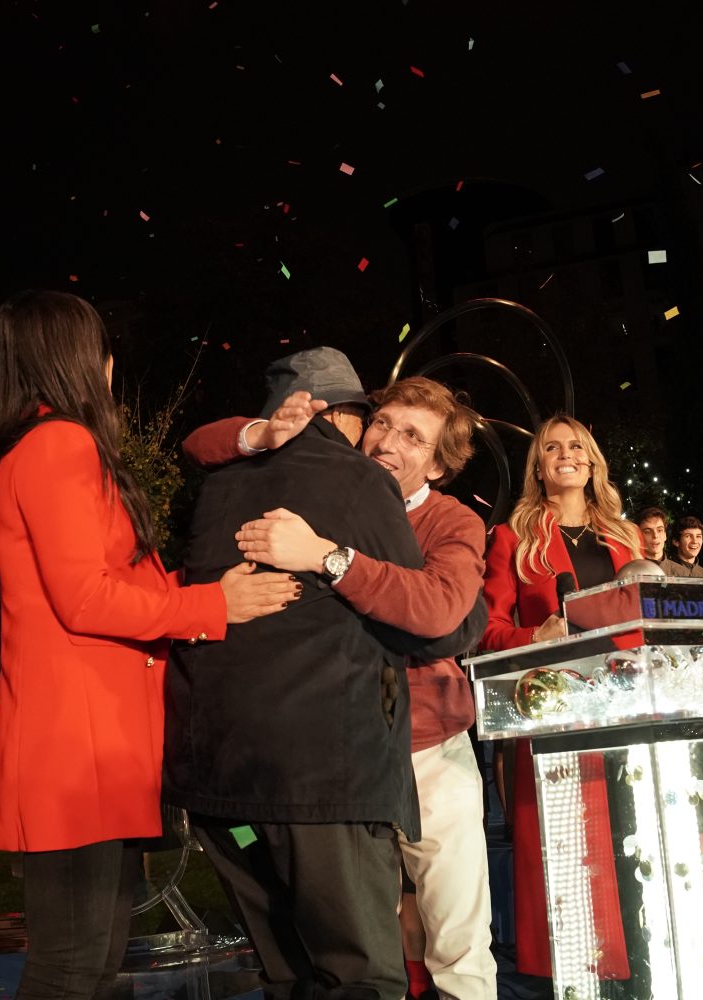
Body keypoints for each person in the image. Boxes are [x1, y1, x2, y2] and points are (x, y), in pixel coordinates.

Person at [0, 290, 298, 999]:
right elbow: (85, 597)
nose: (112, 363)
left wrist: (198, 586)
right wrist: (212, 603)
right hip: (79, 745)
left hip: (84, 740)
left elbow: (101, 581)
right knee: (72, 967)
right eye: (100, 347)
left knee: (88, 959)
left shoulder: (36, 446)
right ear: (75, 358)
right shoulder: (60, 444)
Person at [167, 348, 484, 1000]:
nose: (388, 442)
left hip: (420, 753)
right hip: (343, 767)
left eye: (412, 436)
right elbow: (448, 625)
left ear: (440, 464)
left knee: (450, 940)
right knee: (357, 957)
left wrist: (327, 557)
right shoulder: (346, 483)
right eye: (384, 424)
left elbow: (442, 613)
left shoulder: (450, 520)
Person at [480, 414, 641, 979]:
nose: (566, 454)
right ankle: (578, 979)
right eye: (553, 448)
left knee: (634, 853)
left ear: (593, 461)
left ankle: (641, 971)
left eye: (577, 446)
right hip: (555, 720)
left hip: (632, 714)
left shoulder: (627, 536)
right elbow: (489, 631)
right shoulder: (512, 536)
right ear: (539, 466)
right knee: (570, 865)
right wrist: (536, 636)